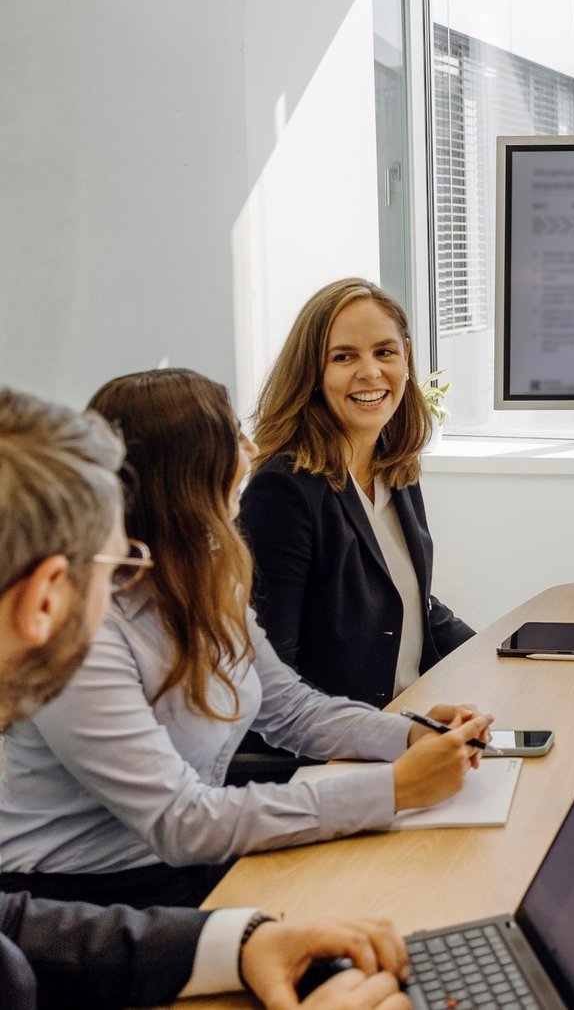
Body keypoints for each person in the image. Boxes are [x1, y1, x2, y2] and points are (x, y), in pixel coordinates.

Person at [0, 371, 490, 913]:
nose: (252, 449)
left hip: (188, 865)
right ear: (188, 473)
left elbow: (293, 711)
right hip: (78, 900)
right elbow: (183, 824)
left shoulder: (208, 573)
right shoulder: (89, 630)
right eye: (234, 433)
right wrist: (395, 790)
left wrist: (411, 737)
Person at [239, 279, 474, 707]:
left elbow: (411, 604)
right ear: (312, 372)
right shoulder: (281, 491)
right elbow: (272, 678)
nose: (370, 372)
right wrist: (383, 739)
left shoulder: (394, 466)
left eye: (385, 352)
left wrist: (501, 653)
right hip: (340, 749)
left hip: (412, 718)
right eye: (344, 356)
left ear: (406, 359)